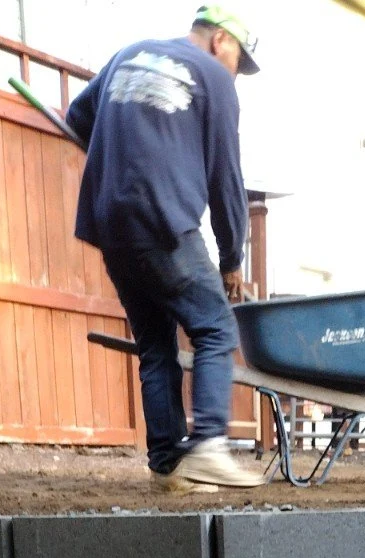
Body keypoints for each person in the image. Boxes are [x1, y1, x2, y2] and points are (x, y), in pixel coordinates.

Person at [66, 7, 264, 490]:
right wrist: (232, 259)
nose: (237, 72)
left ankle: (166, 465)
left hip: (111, 223)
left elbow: (77, 115)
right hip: (163, 220)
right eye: (240, 59)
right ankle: (210, 446)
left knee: (156, 345)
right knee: (216, 329)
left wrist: (124, 146)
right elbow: (226, 182)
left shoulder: (129, 55)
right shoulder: (215, 79)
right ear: (221, 41)